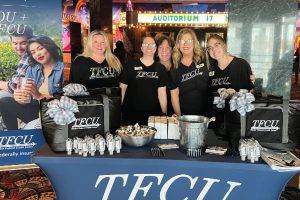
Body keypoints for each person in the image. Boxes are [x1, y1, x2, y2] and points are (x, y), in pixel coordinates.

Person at [0, 35, 64, 130]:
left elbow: (66, 103)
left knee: (34, 126)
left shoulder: (63, 69)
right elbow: (27, 99)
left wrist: (39, 95)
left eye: (40, 48)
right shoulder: (33, 69)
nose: (37, 54)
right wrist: (19, 97)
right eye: (33, 52)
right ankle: (13, 135)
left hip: (54, 114)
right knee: (4, 101)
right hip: (35, 110)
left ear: (49, 47)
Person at [206, 34, 254, 154]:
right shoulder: (212, 70)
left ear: (225, 46)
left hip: (238, 126)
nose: (213, 50)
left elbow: (251, 92)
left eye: (216, 45)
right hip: (218, 127)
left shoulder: (241, 64)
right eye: (209, 48)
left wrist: (236, 93)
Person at [120, 36, 168, 125]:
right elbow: (122, 88)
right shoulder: (130, 65)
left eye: (152, 45)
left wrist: (164, 113)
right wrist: (118, 109)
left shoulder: (161, 68)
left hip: (153, 116)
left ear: (155, 49)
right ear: (141, 48)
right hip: (131, 115)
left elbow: (162, 93)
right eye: (146, 44)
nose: (149, 47)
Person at [170, 28, 210, 116]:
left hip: (206, 116)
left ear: (194, 42)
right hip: (185, 116)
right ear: (178, 44)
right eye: (182, 41)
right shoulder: (175, 67)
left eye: (189, 40)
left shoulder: (204, 59)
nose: (185, 44)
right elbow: (174, 95)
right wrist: (180, 117)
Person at [0, 25, 33, 98]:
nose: (18, 48)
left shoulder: (29, 55)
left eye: (23, 43)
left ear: (31, 41)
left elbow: (14, 86)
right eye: (15, 43)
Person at [156, 35, 175, 116]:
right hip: (156, 112)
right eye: (160, 47)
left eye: (167, 47)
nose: (164, 50)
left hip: (176, 112)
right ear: (156, 50)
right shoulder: (152, 68)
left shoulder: (177, 68)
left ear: (172, 50)